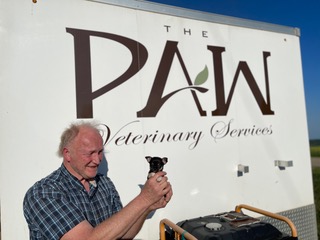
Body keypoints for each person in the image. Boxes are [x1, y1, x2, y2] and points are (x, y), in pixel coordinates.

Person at [23, 121, 173, 240]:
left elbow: (122, 234)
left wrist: (148, 206)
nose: (97, 160)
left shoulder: (105, 184)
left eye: (100, 152)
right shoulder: (43, 193)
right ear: (67, 154)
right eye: (90, 153)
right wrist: (144, 198)